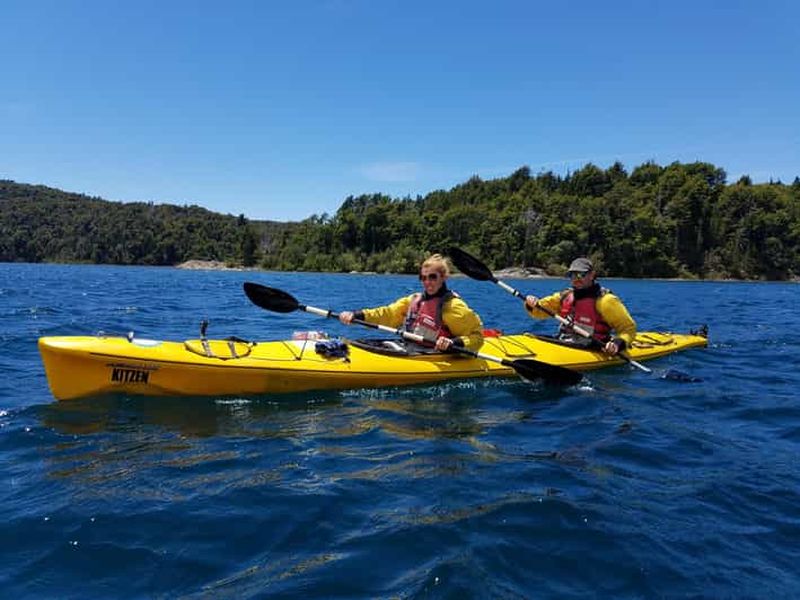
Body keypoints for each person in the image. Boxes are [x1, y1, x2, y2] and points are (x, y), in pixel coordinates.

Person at [338, 254, 484, 352]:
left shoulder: (453, 307)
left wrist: (453, 343)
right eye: (423, 277)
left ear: (444, 277)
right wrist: (356, 315)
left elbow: (477, 338)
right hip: (409, 348)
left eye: (432, 277)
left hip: (435, 353)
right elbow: (387, 314)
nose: (427, 282)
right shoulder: (413, 300)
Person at [524, 257, 636, 355]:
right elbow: (538, 312)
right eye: (572, 275)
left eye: (581, 275)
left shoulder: (606, 301)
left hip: (594, 347)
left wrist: (617, 344)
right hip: (565, 342)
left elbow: (628, 329)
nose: (576, 279)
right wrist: (531, 304)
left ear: (592, 275)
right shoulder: (565, 296)